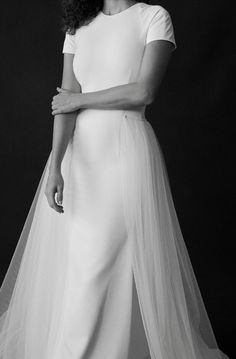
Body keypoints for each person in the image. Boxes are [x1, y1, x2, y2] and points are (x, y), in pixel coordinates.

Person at [0, 1, 230, 358]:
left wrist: (81, 99)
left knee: (103, 265)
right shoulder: (78, 27)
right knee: (78, 269)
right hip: (81, 158)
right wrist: (55, 166)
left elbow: (143, 92)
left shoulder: (153, 17)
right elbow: (64, 103)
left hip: (125, 154)